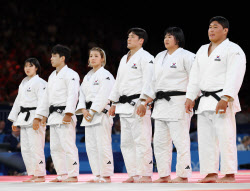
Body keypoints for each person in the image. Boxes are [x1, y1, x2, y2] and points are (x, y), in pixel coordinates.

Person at [185, 16, 246, 183]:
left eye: (215, 27)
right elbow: (195, 76)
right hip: (204, 100)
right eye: (209, 27)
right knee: (205, 139)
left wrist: (226, 97)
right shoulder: (202, 50)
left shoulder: (233, 49)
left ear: (225, 30)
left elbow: (235, 74)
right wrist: (191, 96)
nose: (211, 30)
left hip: (222, 98)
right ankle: (210, 172)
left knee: (226, 136)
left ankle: (229, 173)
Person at [143, 27, 195, 183]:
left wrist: (192, 97)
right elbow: (152, 81)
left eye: (170, 36)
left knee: (180, 140)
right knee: (159, 141)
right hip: (160, 104)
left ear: (178, 39)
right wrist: (147, 99)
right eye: (165, 36)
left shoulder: (188, 56)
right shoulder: (159, 56)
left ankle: (183, 175)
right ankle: (164, 174)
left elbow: (196, 79)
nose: (166, 39)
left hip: (179, 102)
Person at [108, 28, 154, 183]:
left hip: (138, 104)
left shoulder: (146, 57)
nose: (128, 39)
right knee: (126, 143)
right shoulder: (124, 58)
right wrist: (113, 103)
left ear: (141, 40)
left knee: (142, 141)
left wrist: (144, 101)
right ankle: (133, 174)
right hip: (123, 106)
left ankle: (146, 174)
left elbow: (150, 81)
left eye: (132, 37)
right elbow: (118, 82)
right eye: (128, 36)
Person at [34, 44, 80, 182]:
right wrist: (41, 115)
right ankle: (61, 174)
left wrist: (69, 113)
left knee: (68, 145)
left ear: (63, 58)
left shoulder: (71, 74)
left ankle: (72, 175)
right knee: (55, 148)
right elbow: (45, 98)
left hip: (65, 114)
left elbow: (73, 95)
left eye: (54, 56)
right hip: (53, 116)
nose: (51, 58)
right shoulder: (52, 76)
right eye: (51, 56)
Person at [76, 47, 115, 183]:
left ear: (102, 59)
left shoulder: (106, 75)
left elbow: (104, 95)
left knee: (103, 144)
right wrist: (83, 110)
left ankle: (106, 175)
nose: (92, 58)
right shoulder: (87, 76)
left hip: (101, 114)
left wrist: (92, 111)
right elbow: (81, 95)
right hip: (88, 114)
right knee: (91, 146)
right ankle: (97, 174)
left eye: (96, 56)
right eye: (91, 56)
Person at [7, 58, 47, 182]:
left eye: (30, 66)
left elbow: (43, 101)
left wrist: (38, 117)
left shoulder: (40, 83)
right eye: (25, 66)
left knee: (36, 146)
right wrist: (14, 120)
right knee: (26, 148)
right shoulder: (23, 83)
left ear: (36, 68)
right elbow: (18, 103)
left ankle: (40, 174)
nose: (27, 68)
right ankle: (33, 173)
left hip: (35, 116)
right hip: (23, 118)